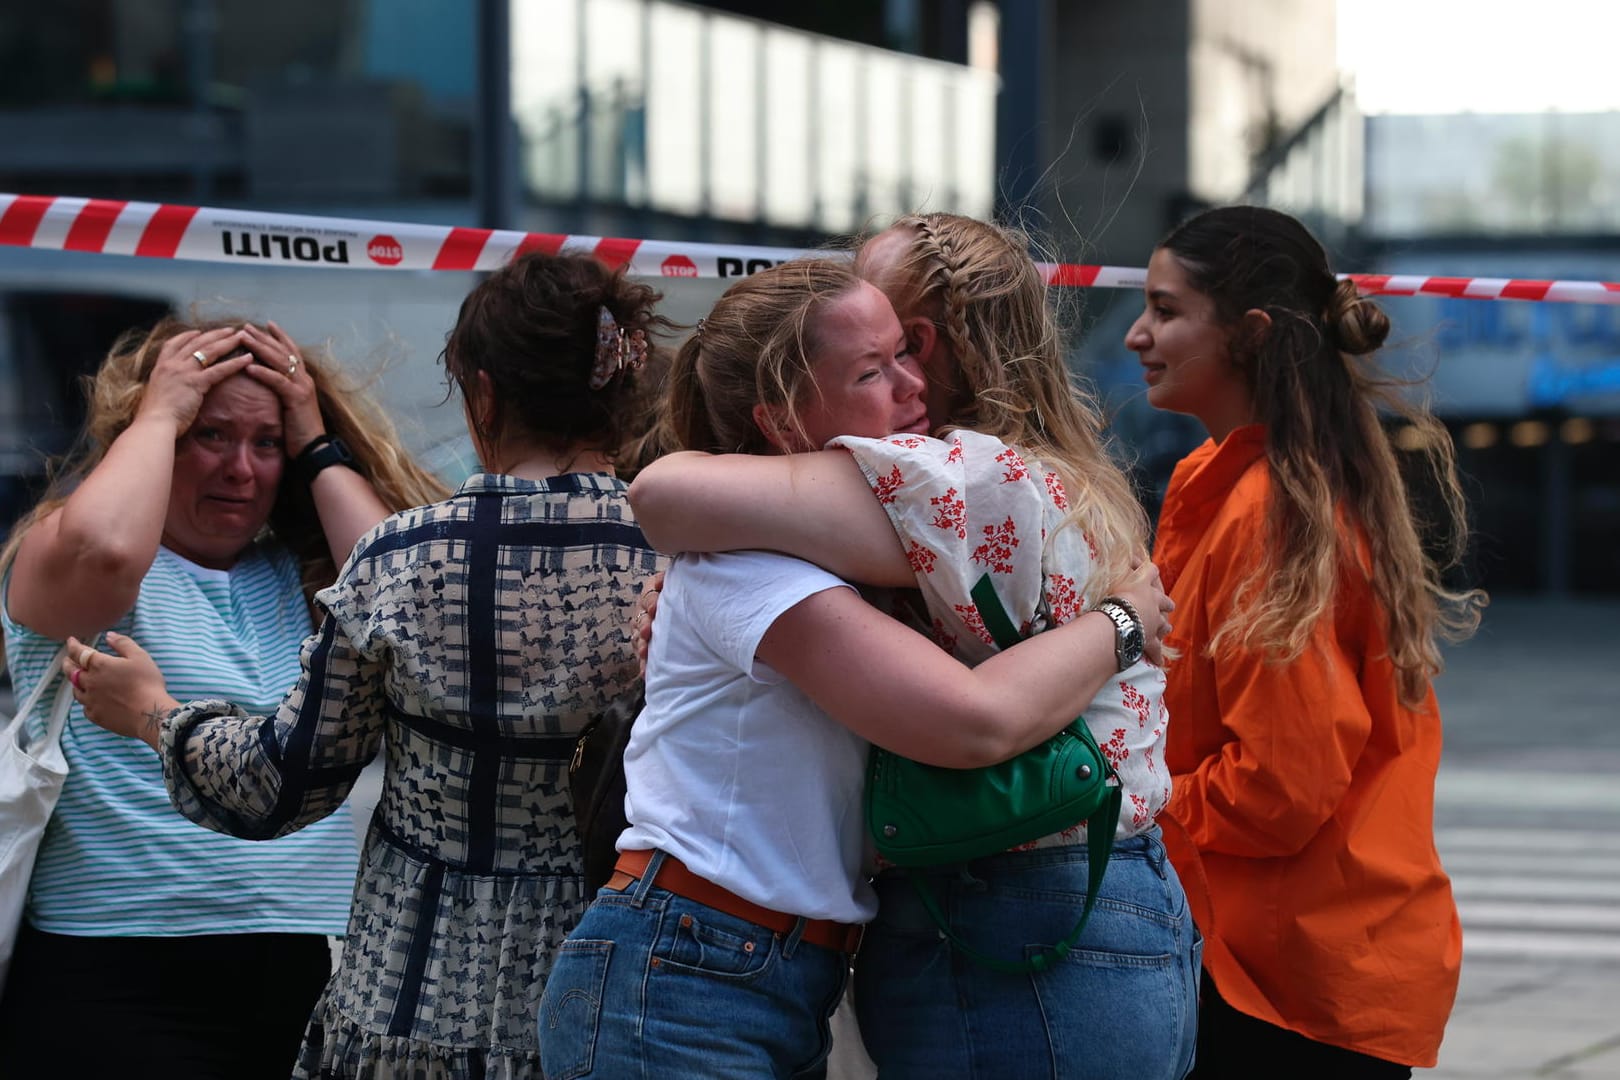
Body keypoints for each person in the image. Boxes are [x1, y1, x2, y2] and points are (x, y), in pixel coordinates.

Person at [544, 245, 1193, 1080]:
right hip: (692, 963)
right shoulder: (752, 563)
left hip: (750, 967)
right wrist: (1124, 621)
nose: (911, 385)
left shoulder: (839, 541)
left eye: (909, 355)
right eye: (873, 371)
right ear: (779, 422)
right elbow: (973, 719)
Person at [63, 253, 668, 1079]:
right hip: (616, 993)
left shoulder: (406, 558)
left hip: (411, 999)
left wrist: (152, 713)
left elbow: (277, 784)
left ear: (484, 395)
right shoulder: (683, 557)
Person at [0, 316, 444, 1078]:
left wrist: (314, 439)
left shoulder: (303, 576)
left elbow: (420, 614)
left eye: (266, 443)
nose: (242, 469)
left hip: (309, 975)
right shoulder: (73, 547)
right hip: (111, 978)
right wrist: (162, 407)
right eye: (210, 435)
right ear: (152, 436)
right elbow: (104, 549)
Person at [1124, 204, 1487, 1077]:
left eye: (1167, 311)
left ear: (1249, 334)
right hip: (1299, 955)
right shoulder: (1258, 479)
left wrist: (1129, 800)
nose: (1138, 333)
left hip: (1285, 978)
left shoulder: (1271, 509)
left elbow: (1279, 786)